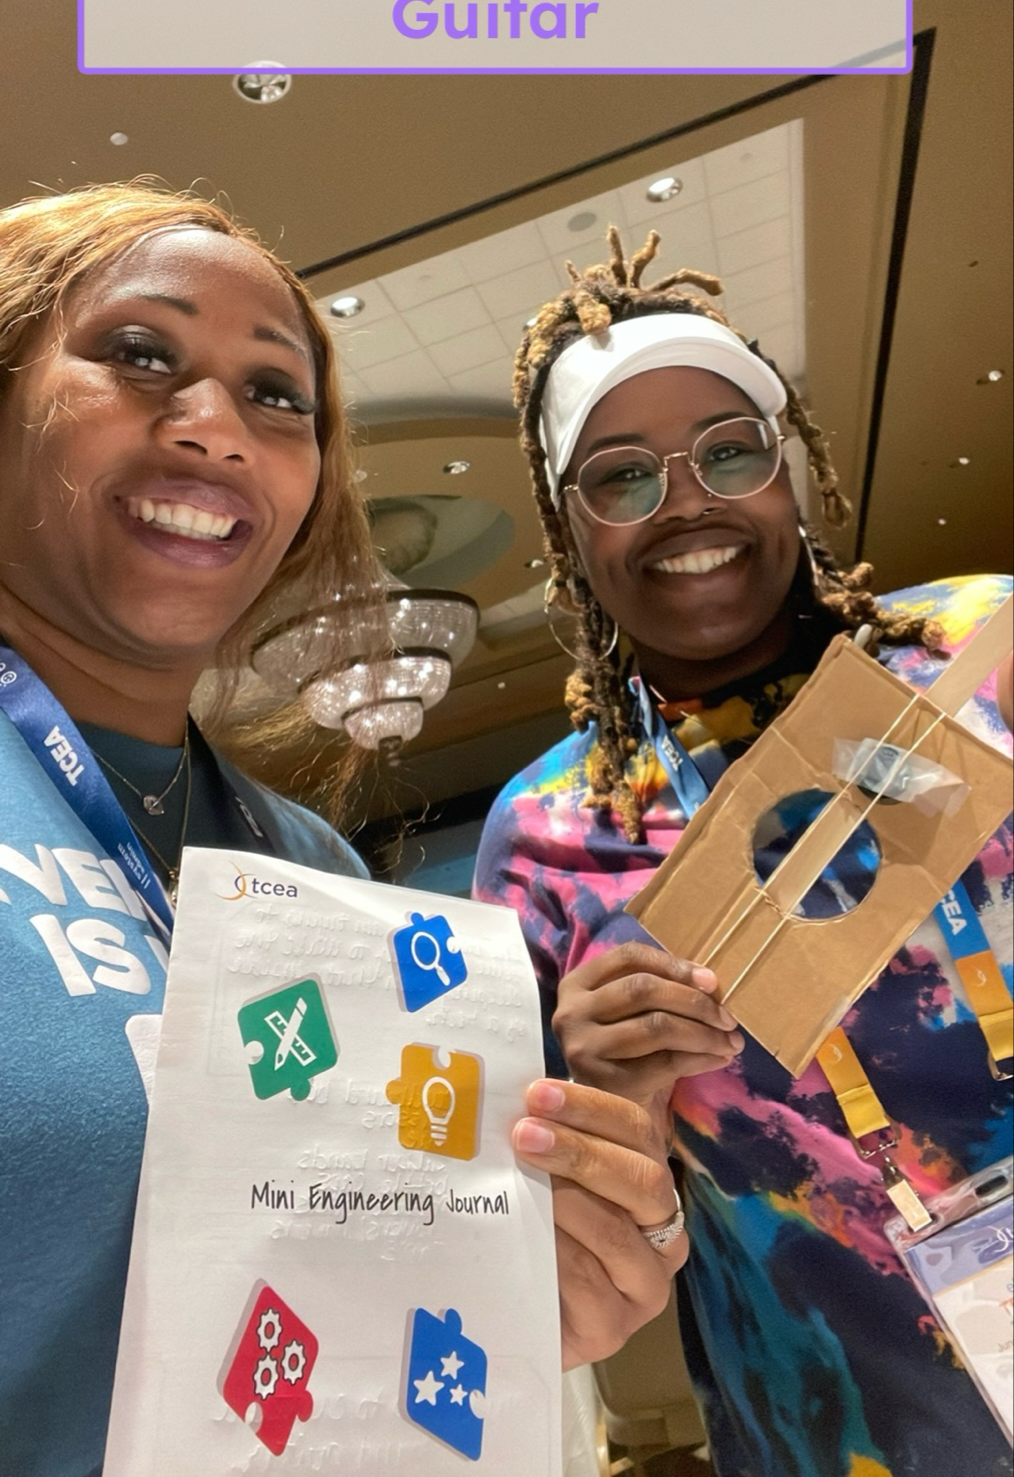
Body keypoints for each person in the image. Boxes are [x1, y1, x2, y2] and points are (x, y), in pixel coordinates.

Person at [0, 187, 687, 1477]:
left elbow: (344, 1291)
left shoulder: (308, 864)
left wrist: (523, 1282)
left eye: (279, 396)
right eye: (140, 353)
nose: (215, 427)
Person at [474, 226, 1013, 1477]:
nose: (690, 502)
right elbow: (568, 1250)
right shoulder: (550, 840)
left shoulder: (981, 654)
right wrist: (614, 1097)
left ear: (794, 473)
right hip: (848, 1415)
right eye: (621, 476)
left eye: (730, 452)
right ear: (570, 533)